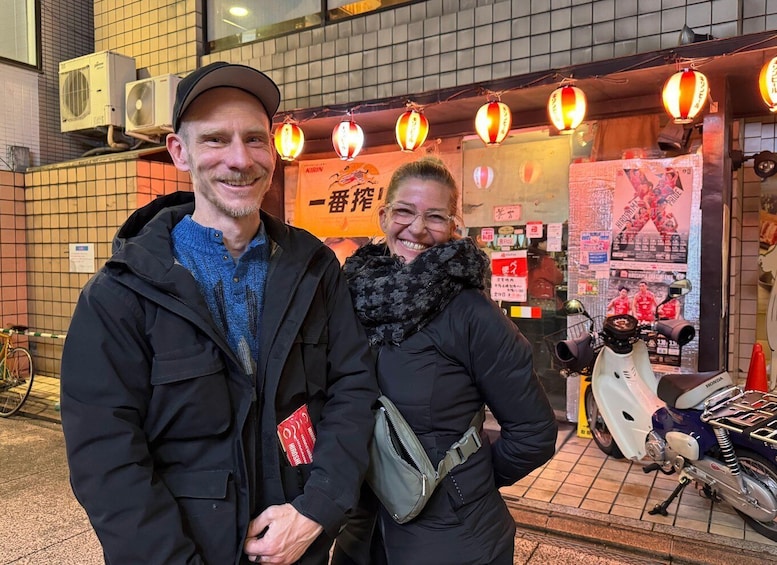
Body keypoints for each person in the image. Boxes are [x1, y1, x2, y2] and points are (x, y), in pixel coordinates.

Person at [59, 62, 379, 565]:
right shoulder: (121, 292)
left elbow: (353, 390)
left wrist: (317, 510)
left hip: (298, 545)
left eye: (255, 139)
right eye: (215, 140)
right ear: (178, 152)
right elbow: (106, 456)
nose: (240, 159)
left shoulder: (314, 268)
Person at [332, 157, 558, 565]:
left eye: (435, 217)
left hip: (454, 541)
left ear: (452, 226)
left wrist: (461, 485)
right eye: (404, 211)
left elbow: (534, 434)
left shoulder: (471, 313)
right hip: (362, 532)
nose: (417, 228)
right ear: (383, 216)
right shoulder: (349, 296)